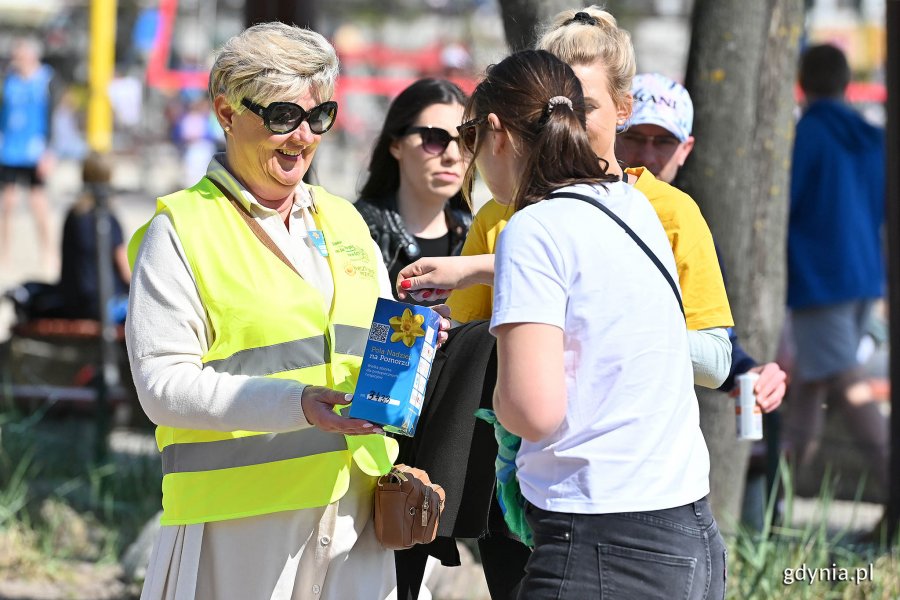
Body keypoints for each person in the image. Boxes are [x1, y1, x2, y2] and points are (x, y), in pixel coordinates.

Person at [397, 8, 734, 597]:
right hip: (687, 527)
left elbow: (533, 411)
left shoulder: (531, 228)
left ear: (498, 132)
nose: (470, 156)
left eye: (471, 137)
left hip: (598, 537)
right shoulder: (630, 205)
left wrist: (501, 369)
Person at [125, 23, 450, 600]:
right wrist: (295, 406)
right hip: (236, 532)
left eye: (319, 117)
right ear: (226, 113)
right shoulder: (181, 229)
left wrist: (415, 344)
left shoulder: (346, 221)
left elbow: (369, 348)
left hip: (357, 517)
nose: (302, 137)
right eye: (282, 117)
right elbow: (160, 385)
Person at [617, 72, 786, 408]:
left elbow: (715, 343)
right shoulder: (571, 210)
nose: (647, 156)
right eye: (635, 136)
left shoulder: (686, 224)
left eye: (663, 141)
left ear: (685, 149)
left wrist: (751, 373)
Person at [782, 44, 888, 498]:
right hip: (864, 275)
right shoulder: (873, 136)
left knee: (846, 381)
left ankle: (893, 485)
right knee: (809, 384)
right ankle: (775, 501)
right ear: (847, 84)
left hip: (820, 281)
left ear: (802, 84)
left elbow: (785, 206)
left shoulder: (805, 136)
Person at [355, 78, 471, 304]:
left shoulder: (478, 235)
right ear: (396, 145)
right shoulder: (354, 230)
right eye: (435, 138)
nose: (453, 155)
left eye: (467, 139)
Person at [0, 37, 57, 269]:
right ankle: (4, 253)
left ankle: (48, 253)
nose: (18, 60)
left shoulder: (46, 80)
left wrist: (50, 151)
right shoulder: (9, 81)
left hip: (35, 150)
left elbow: (53, 118)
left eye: (21, 56)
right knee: (7, 203)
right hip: (10, 150)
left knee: (38, 203)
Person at [58, 151, 131, 322]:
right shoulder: (107, 218)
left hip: (73, 302)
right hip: (104, 305)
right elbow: (124, 267)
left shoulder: (72, 215)